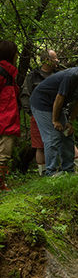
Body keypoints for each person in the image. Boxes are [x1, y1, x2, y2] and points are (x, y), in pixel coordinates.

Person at [30, 55, 78, 176]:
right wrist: (55, 120)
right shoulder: (72, 76)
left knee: (67, 135)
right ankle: (51, 173)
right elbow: (60, 97)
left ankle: (68, 170)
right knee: (52, 136)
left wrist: (70, 121)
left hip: (56, 105)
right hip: (41, 103)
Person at [20, 49, 60, 174]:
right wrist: (32, 113)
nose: (57, 61)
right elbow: (25, 95)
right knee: (40, 145)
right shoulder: (32, 76)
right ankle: (43, 172)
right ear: (47, 60)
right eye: (55, 58)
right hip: (38, 115)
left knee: (61, 140)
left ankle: (66, 167)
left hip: (57, 114)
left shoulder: (58, 74)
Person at [0, 40, 20, 191]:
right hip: (5, 119)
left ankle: (2, 183)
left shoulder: (10, 73)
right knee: (4, 154)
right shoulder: (2, 72)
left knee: (5, 154)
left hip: (8, 119)